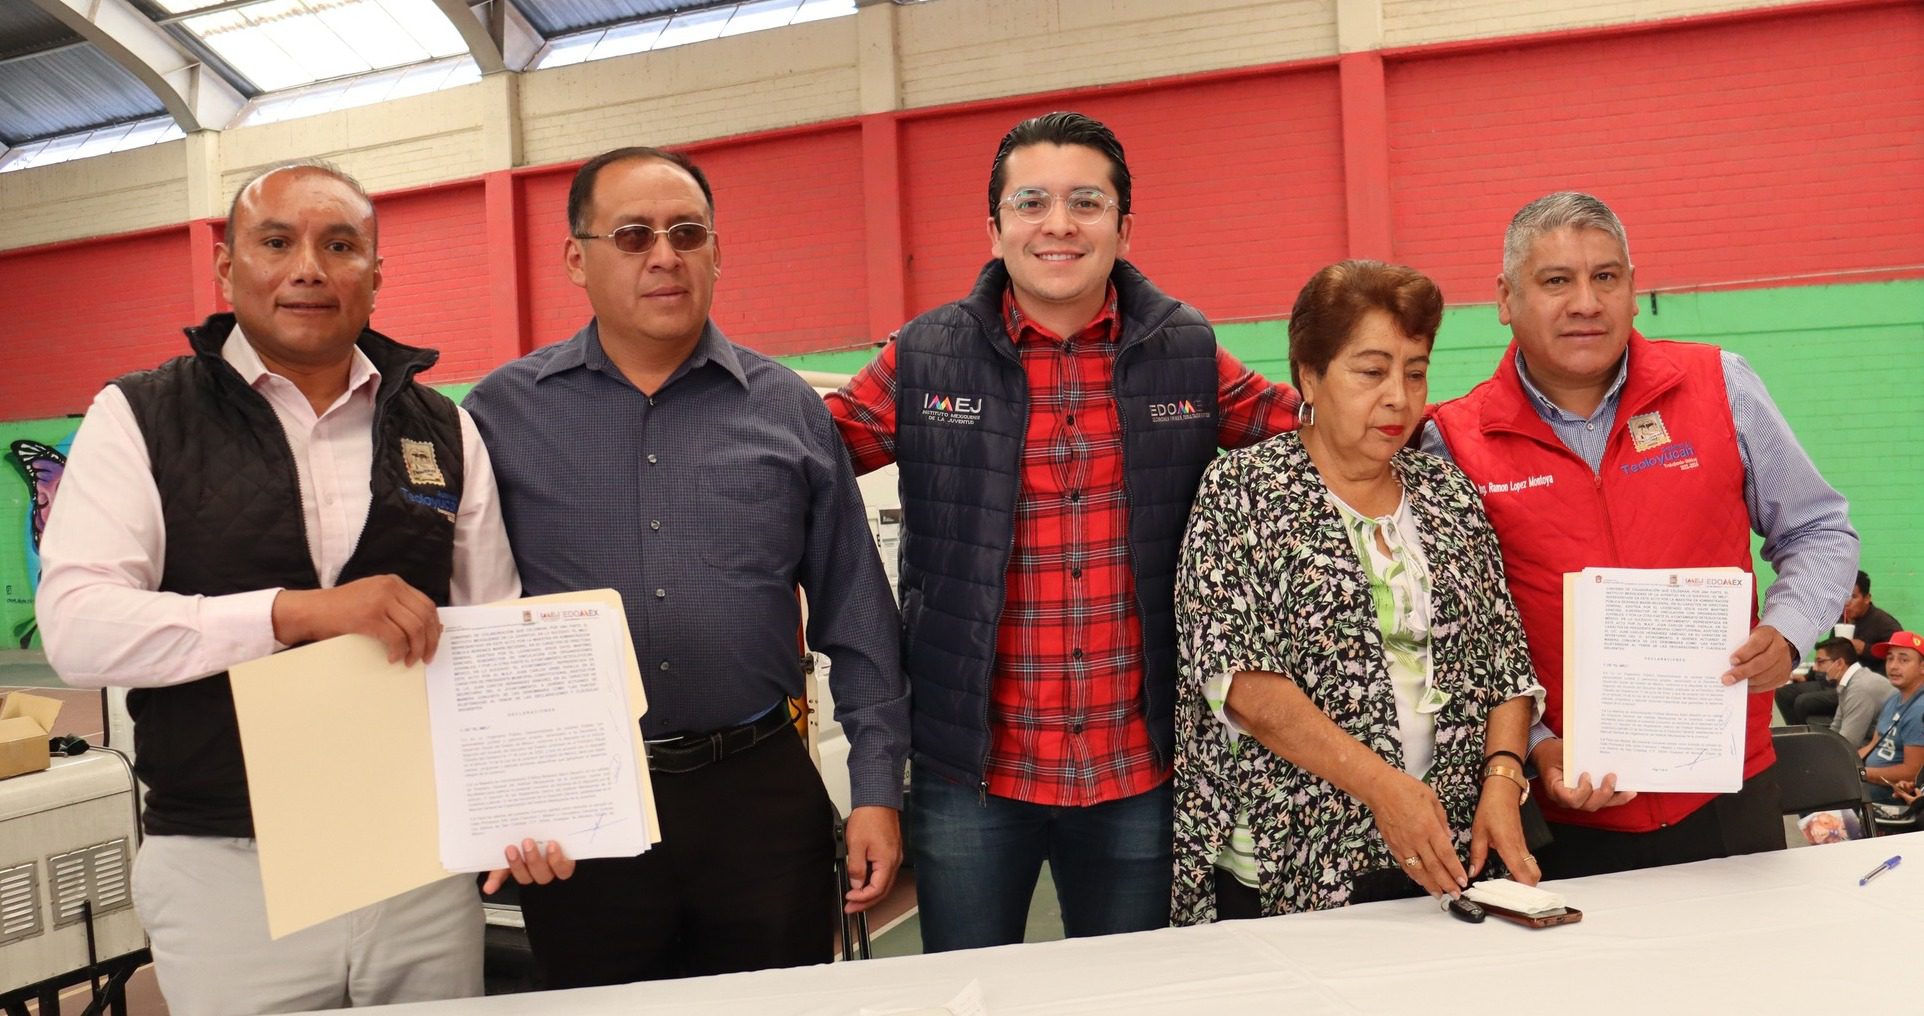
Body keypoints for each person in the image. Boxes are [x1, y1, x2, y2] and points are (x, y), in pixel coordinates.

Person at [36, 162, 521, 1015]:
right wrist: (291, 615)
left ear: (375, 274)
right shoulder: (141, 416)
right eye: (276, 242)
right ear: (226, 268)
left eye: (340, 246)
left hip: (416, 862)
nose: (309, 268)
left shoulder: (445, 428)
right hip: (229, 869)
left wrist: (524, 797)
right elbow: (77, 630)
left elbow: (495, 631)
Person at [824, 111, 1300, 950]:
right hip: (969, 774)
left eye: (1086, 201)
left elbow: (1310, 435)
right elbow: (802, 462)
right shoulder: (927, 356)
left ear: (1123, 223)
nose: (1059, 224)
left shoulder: (1183, 348)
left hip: (1140, 772)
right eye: (1032, 201)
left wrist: (1428, 419)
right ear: (995, 225)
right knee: (967, 997)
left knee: (1126, 995)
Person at [463, 147, 908, 986]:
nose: (663, 255)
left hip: (759, 796)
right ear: (575, 259)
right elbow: (465, 616)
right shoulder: (499, 415)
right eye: (632, 235)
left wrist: (878, 789)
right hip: (583, 804)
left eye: (686, 232)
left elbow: (857, 613)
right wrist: (501, 797)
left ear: (715, 251)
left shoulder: (786, 409)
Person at [1424, 191, 1859, 878]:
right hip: (1561, 810)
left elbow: (1819, 530)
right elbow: (1451, 636)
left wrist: (1789, 632)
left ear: (1632, 290)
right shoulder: (1453, 440)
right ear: (1506, 299)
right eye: (1556, 280)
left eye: (1606, 276)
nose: (1586, 302)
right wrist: (1536, 746)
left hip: (1725, 788)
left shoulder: (1722, 386)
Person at [1169, 260, 1544, 922]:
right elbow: (1242, 685)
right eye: (1371, 372)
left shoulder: (1446, 492)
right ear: (1309, 376)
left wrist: (1503, 777)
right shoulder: (1242, 490)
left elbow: (1505, 660)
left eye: (1416, 370)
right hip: (1297, 861)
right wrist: (1384, 789)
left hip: (1450, 855)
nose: (1399, 396)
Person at [1780, 637, 1893, 741]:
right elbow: (1836, 727)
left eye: (1820, 662)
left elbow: (1849, 741)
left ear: (1839, 663)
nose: (1814, 668)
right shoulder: (1849, 683)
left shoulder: (1860, 688)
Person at [1860, 631, 1924, 803]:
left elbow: (1913, 773)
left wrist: (1861, 773)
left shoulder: (1920, 709)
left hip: (1894, 792)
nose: (1893, 666)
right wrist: (1845, 763)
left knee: (1827, 797)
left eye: (1903, 660)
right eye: (1890, 658)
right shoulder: (1894, 698)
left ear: (1922, 667)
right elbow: (1874, 744)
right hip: (1871, 779)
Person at [1841, 570, 1904, 674]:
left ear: (1867, 598)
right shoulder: (1841, 620)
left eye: (1853, 597)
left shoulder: (1885, 624)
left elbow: (1901, 657)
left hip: (1876, 681)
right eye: (1843, 597)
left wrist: (1865, 649)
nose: (1846, 603)